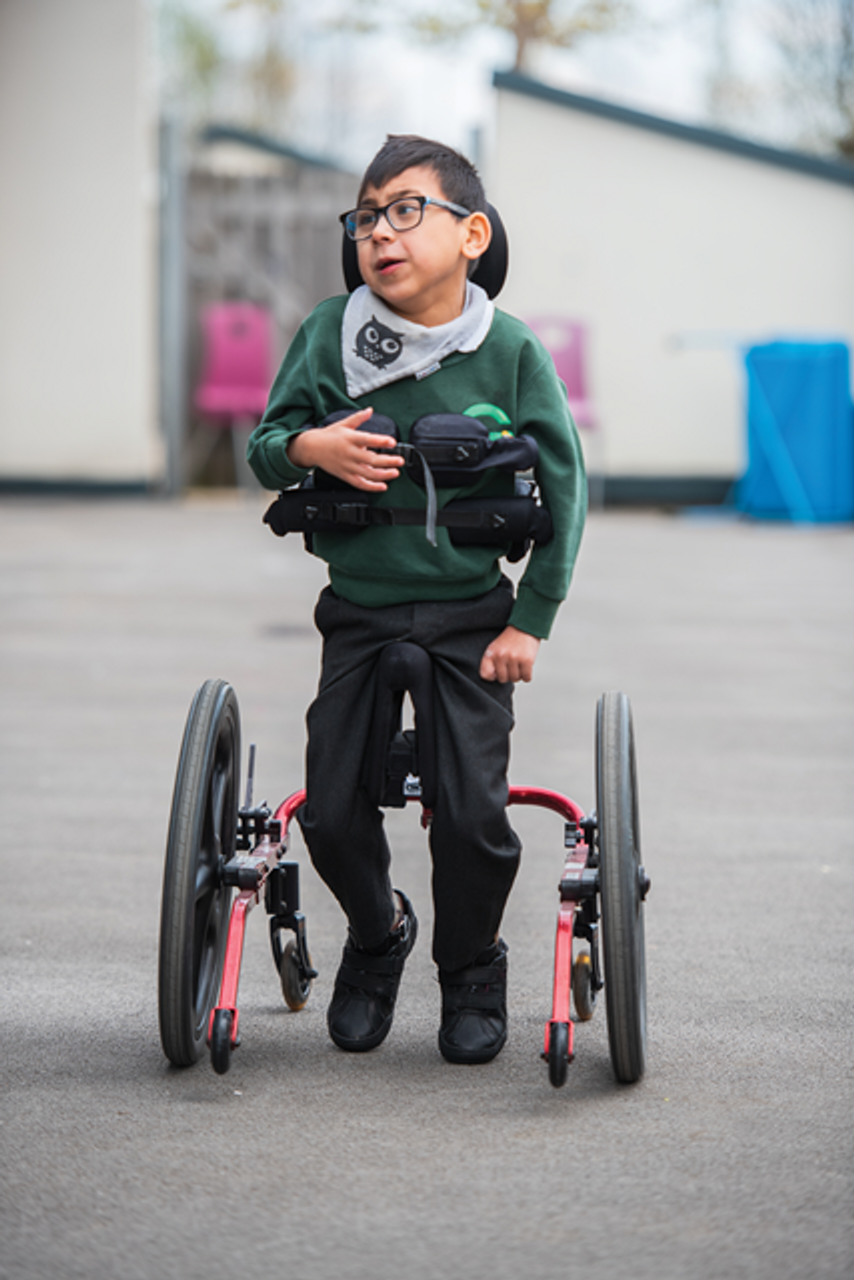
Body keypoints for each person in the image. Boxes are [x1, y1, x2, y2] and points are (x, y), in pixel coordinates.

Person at [247, 134, 587, 1065]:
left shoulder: (507, 350)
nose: (379, 233)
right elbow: (265, 443)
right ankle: (376, 932)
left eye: (406, 210)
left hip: (472, 617)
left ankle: (471, 964)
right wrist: (309, 450)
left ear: (472, 233)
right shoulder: (329, 334)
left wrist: (532, 618)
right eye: (365, 218)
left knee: (474, 816)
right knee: (327, 812)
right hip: (356, 608)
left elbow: (564, 488)